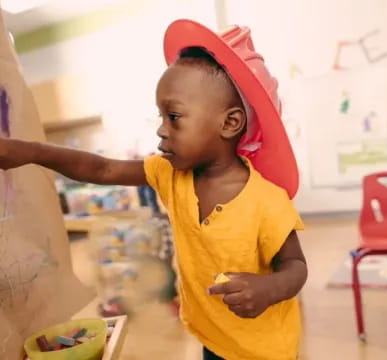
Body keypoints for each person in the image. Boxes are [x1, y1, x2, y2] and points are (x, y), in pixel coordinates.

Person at [0, 20, 307, 360]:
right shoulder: (170, 174)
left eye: (174, 116)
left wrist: (270, 287)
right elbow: (102, 168)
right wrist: (32, 152)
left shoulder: (266, 200)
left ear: (230, 123)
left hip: (265, 349)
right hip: (213, 338)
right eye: (160, 115)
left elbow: (295, 265)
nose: (161, 130)